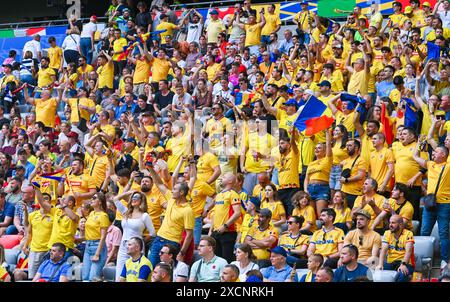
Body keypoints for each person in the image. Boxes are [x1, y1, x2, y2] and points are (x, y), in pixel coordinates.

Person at [413, 144, 450, 269]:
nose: (433, 153)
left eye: (436, 152)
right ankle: (422, 259)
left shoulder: (449, 166)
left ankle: (444, 261)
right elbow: (415, 156)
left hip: (445, 203)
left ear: (444, 155)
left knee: (443, 233)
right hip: (429, 204)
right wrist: (419, 145)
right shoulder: (430, 164)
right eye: (433, 152)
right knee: (424, 232)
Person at [112, 190, 155, 281]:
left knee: (135, 275)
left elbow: (152, 233)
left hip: (136, 248)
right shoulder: (126, 212)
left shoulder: (145, 216)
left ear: (141, 200)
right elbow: (115, 199)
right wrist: (131, 192)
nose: (134, 199)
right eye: (133, 197)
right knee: (119, 276)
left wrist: (141, 241)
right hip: (124, 247)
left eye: (136, 198)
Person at [208, 172, 241, 263]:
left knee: (227, 261)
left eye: (224, 176)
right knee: (216, 261)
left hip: (228, 232)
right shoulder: (218, 195)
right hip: (216, 232)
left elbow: (237, 213)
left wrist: (225, 226)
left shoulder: (233, 194)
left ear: (230, 181)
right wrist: (211, 230)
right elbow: (215, 214)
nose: (221, 178)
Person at [377, 215, 415, 282]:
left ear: (400, 224)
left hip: (406, 263)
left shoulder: (408, 234)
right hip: (391, 262)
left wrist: (403, 264)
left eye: (393, 223)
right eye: (390, 222)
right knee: (378, 274)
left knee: (402, 275)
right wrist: (380, 264)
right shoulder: (387, 233)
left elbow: (408, 251)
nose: (390, 225)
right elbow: (383, 249)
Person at [82, 192, 110, 281]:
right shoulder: (91, 214)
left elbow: (103, 237)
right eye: (92, 198)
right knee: (85, 277)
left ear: (100, 201)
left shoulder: (103, 215)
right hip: (88, 245)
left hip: (97, 246)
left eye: (94, 198)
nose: (92, 199)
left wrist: (97, 254)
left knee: (92, 278)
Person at [340, 139, 367, 208]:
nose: (347, 148)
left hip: (354, 193)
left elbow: (361, 176)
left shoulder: (361, 160)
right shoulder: (346, 160)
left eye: (349, 145)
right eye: (346, 146)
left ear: (356, 148)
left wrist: (346, 180)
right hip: (344, 192)